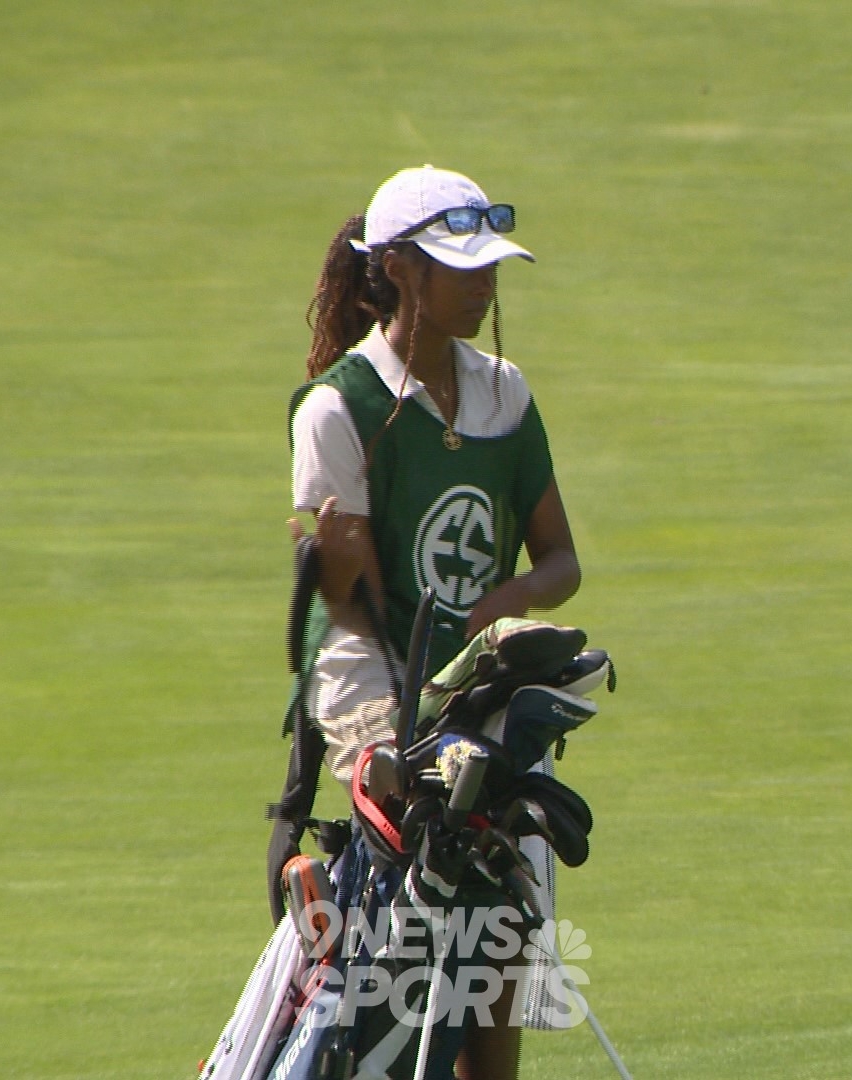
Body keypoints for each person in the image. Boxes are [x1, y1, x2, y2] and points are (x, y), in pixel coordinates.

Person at [288, 165, 581, 1080]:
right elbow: (348, 617)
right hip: (388, 714)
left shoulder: (507, 394)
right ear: (405, 269)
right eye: (465, 266)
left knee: (499, 960)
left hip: (489, 708)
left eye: (493, 264)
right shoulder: (341, 406)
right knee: (404, 981)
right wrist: (382, 750)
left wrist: (501, 610)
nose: (487, 283)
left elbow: (561, 562)